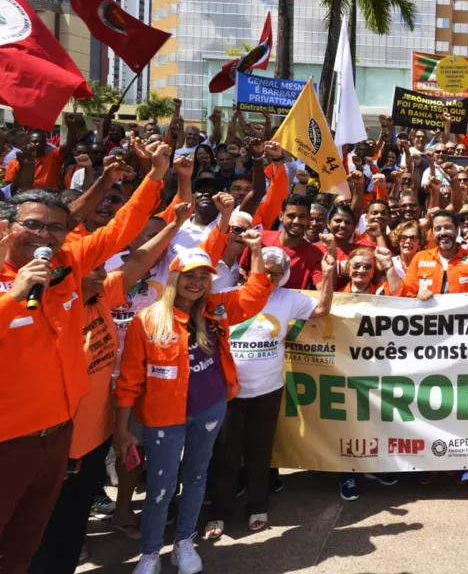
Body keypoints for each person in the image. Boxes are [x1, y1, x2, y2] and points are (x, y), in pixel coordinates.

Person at [0, 141, 171, 574]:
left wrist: (154, 176)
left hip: (59, 437)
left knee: (29, 545)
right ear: (5, 229)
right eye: (34, 226)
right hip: (7, 444)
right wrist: (13, 298)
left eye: (57, 229)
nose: (46, 238)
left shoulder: (70, 264)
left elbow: (120, 231)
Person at [114, 231, 274, 574]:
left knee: (197, 477)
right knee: (161, 487)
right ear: (174, 278)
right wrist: (122, 429)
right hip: (161, 417)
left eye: (204, 276)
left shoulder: (216, 309)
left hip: (210, 410)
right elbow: (128, 382)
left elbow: (256, 295)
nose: (197, 283)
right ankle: (151, 552)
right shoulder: (148, 319)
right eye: (190, 276)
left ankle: (185, 541)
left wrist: (257, 250)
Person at [205, 242, 336, 537]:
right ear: (250, 270)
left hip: (268, 390)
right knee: (226, 453)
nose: (270, 279)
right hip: (228, 391)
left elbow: (323, 309)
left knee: (259, 452)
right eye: (264, 271)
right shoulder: (227, 297)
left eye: (276, 274)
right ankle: (220, 511)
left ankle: (258, 506)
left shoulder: (287, 298)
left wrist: (327, 275)